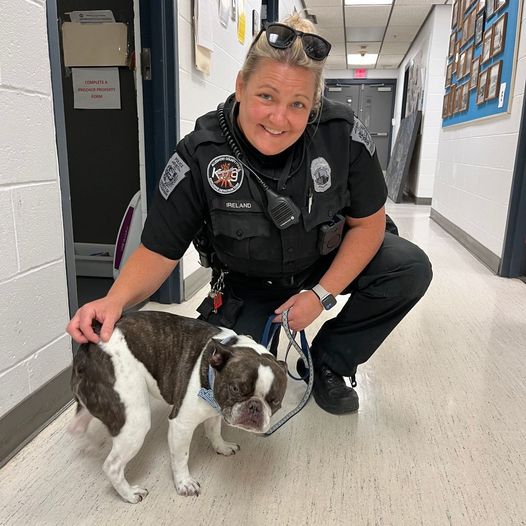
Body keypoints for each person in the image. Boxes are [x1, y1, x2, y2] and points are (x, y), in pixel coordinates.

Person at [67, 14, 432, 415]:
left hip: (321, 262)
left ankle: (331, 362)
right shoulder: (200, 154)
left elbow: (369, 224)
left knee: (407, 267)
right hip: (248, 281)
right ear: (241, 85)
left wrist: (320, 295)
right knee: (221, 388)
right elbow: (158, 251)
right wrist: (114, 301)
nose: (279, 118)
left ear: (314, 104)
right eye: (266, 97)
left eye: (298, 104)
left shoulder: (342, 135)